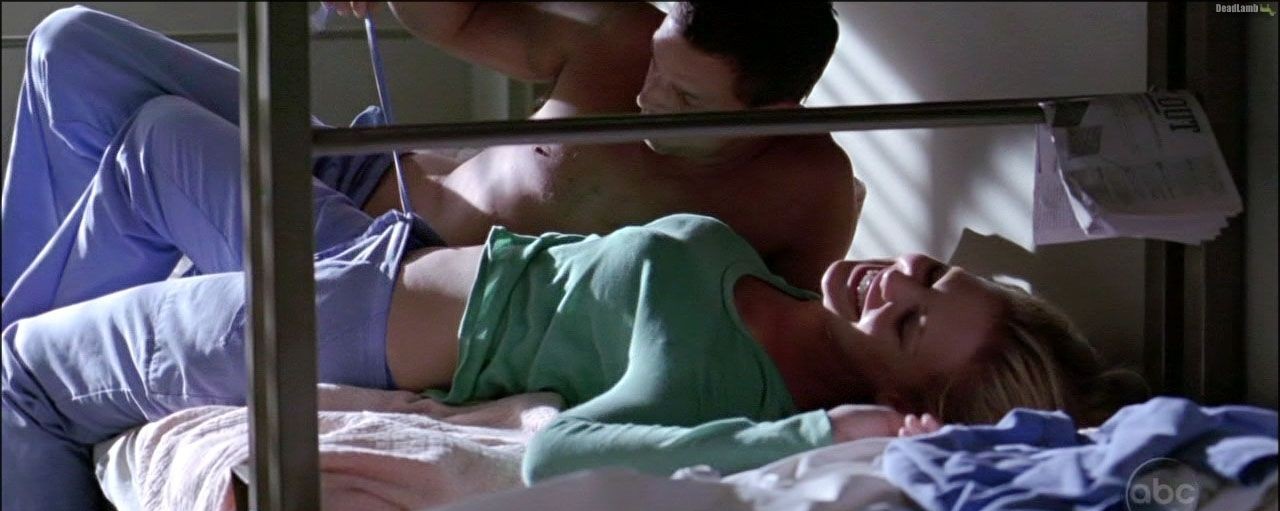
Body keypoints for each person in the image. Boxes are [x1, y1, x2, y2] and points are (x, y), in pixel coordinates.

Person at [1, 108, 1146, 511]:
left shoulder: (739, 401)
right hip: (391, 259)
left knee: (23, 378)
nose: (892, 281)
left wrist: (823, 435)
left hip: (356, 324)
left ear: (903, 396)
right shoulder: (804, 279)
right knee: (130, 129)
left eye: (906, 323)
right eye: (929, 275)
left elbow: (558, 459)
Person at [2, 1, 858, 304]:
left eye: (685, 98)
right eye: (658, 67)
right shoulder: (624, 34)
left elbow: (781, 342)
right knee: (69, 44)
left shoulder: (807, 188)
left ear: (776, 111)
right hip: (364, 166)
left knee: (165, 138)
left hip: (385, 267)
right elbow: (459, 16)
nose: (646, 94)